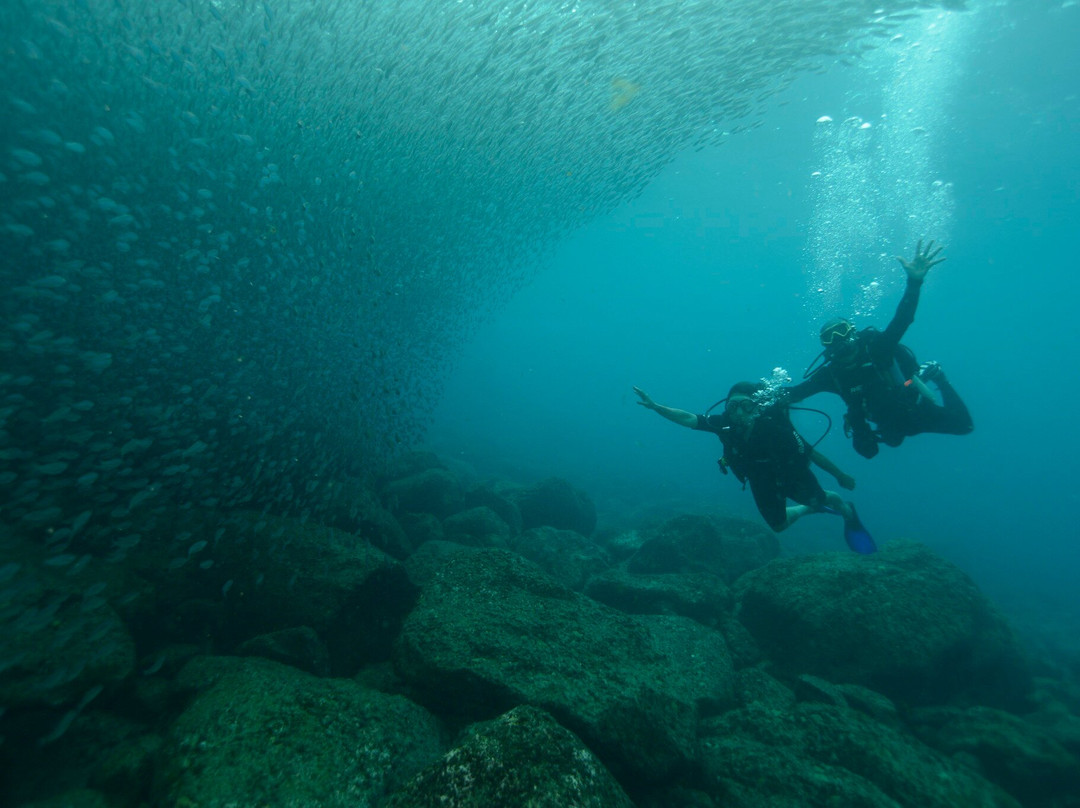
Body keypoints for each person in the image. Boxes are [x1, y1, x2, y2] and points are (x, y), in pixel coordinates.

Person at [633, 381, 875, 552]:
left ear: (757, 406)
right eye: (733, 406)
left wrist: (840, 475)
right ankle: (808, 508)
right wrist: (657, 407)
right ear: (726, 407)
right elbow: (688, 418)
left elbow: (813, 453)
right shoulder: (722, 425)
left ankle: (843, 507)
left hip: (791, 474)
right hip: (760, 481)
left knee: (821, 499)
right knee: (779, 526)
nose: (738, 412)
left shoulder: (774, 429)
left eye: (745, 405)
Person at [785, 240, 973, 459]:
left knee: (964, 426)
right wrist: (758, 398)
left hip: (914, 407)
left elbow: (903, 320)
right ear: (825, 345)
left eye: (842, 331)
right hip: (886, 425)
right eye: (829, 337)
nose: (838, 339)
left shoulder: (877, 349)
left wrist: (914, 282)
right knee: (871, 450)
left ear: (853, 333)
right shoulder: (831, 374)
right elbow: (796, 393)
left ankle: (940, 377)